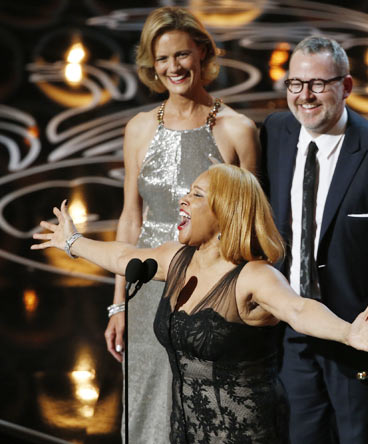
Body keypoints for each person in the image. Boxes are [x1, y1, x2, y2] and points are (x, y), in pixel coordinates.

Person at [32, 164, 368, 444]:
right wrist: (72, 242)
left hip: (243, 431)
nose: (183, 199)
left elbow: (298, 310)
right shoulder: (177, 258)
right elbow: (125, 255)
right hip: (187, 428)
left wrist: (347, 332)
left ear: (226, 211)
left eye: (196, 195)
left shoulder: (254, 276)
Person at [260, 36, 368, 444]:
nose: (305, 96)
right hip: (294, 332)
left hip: (363, 336)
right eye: (295, 84)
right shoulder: (276, 133)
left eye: (318, 84)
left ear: (347, 87)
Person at [103, 6, 260, 442]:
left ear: (203, 53)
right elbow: (131, 218)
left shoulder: (238, 130)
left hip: (208, 292)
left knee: (206, 404)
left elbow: (250, 227)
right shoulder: (138, 128)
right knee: (147, 402)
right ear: (152, 67)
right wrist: (119, 303)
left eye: (182, 55)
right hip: (147, 289)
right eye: (162, 59)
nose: (173, 67)